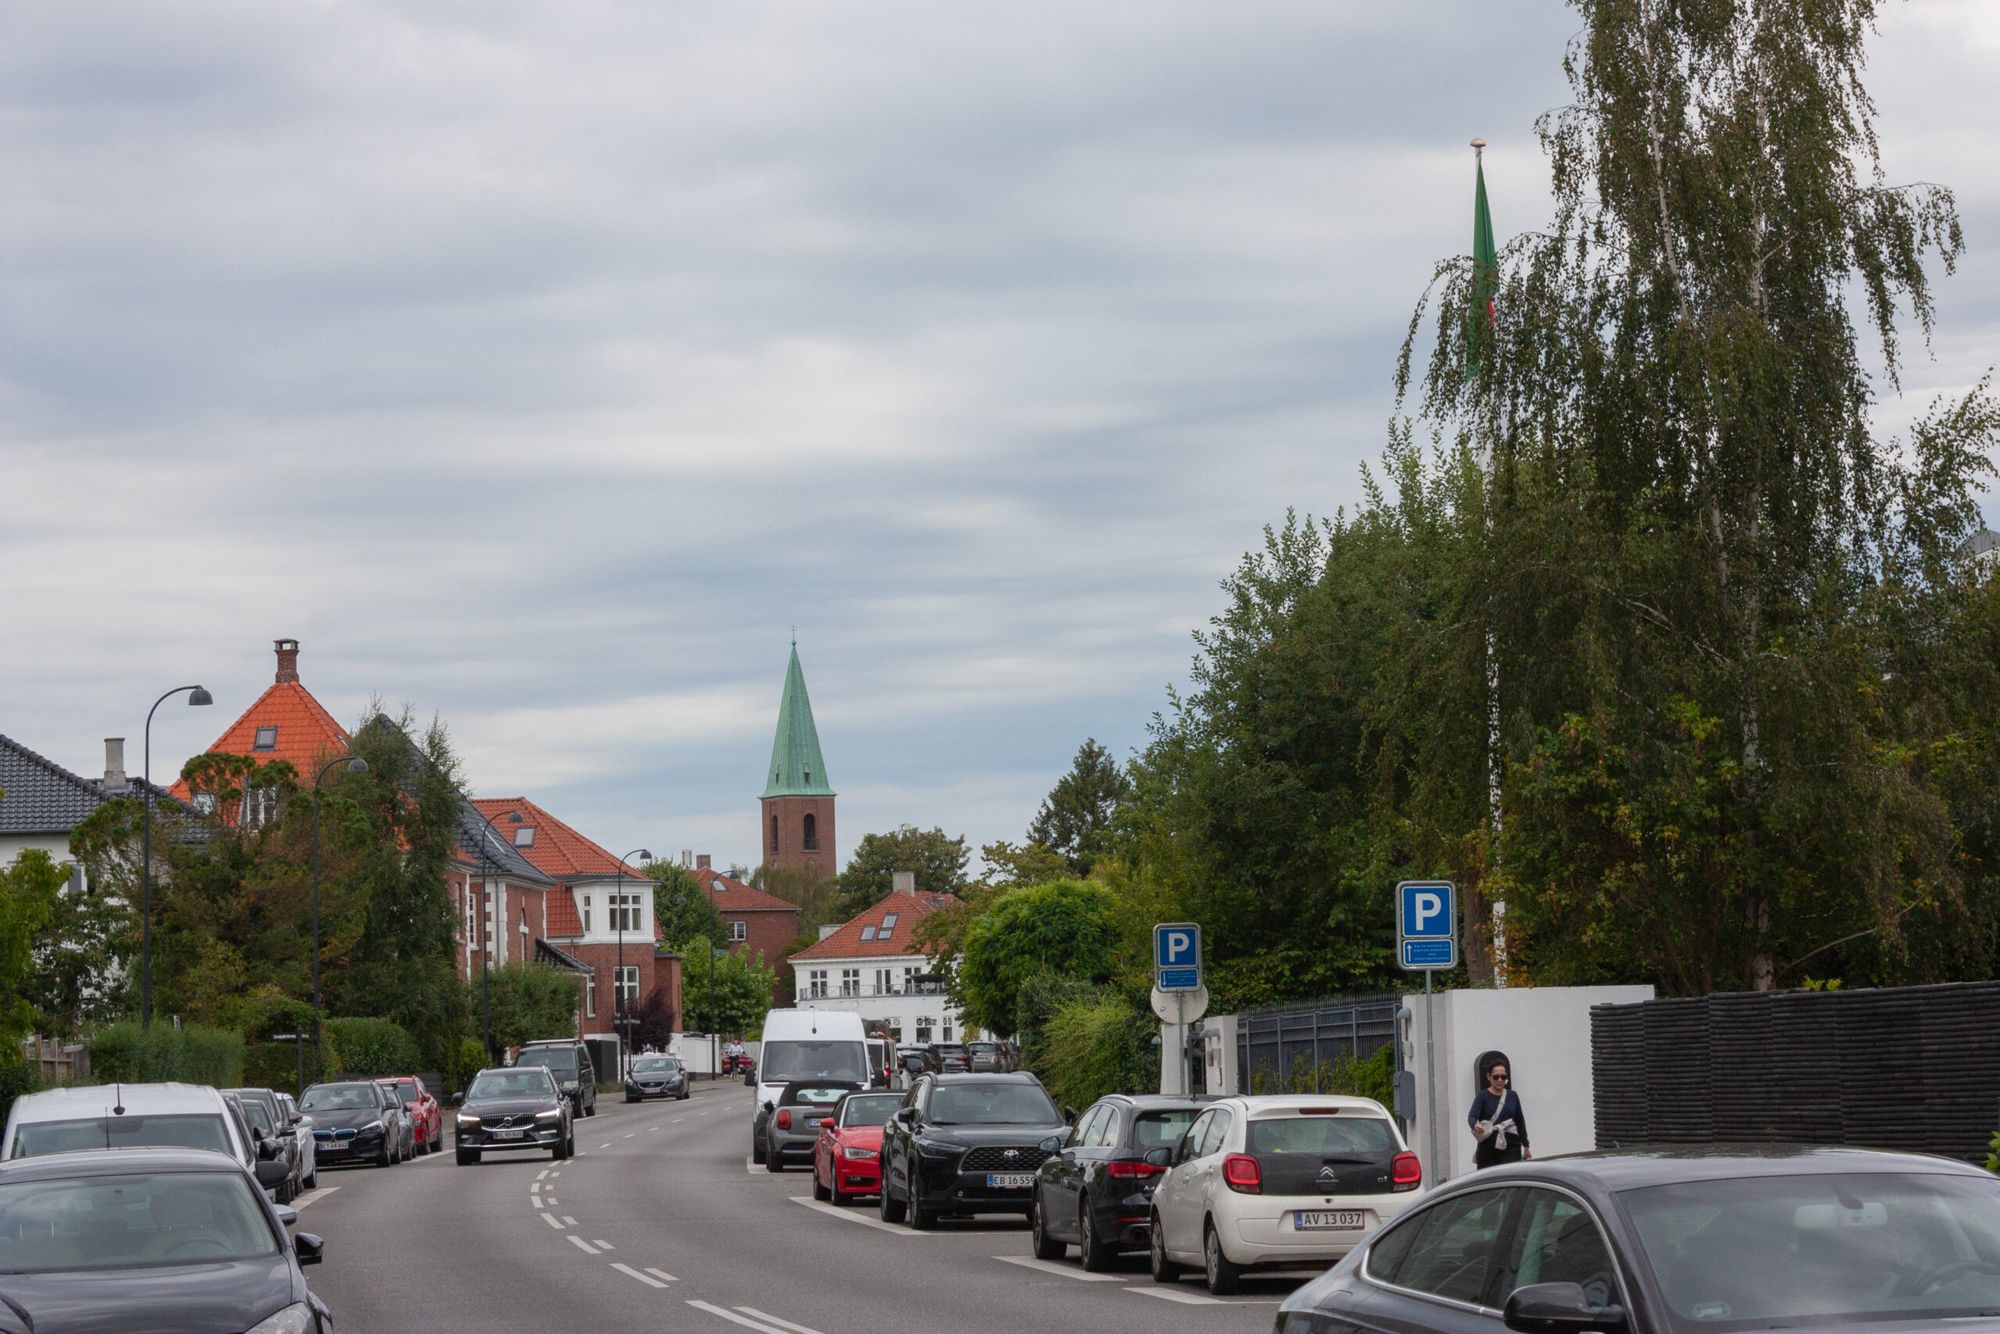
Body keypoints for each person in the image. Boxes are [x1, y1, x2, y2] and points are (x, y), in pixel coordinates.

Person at [1467, 1049, 1530, 1169]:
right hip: (1488, 1146)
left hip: (1511, 1145)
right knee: (1489, 1177)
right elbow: (1472, 1116)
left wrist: (1526, 1145)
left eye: (1503, 1077)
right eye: (1496, 1077)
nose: (1500, 1080)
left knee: (1510, 1174)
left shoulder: (1512, 1096)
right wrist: (1475, 1125)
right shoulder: (1482, 1096)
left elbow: (1520, 1121)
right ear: (1489, 1077)